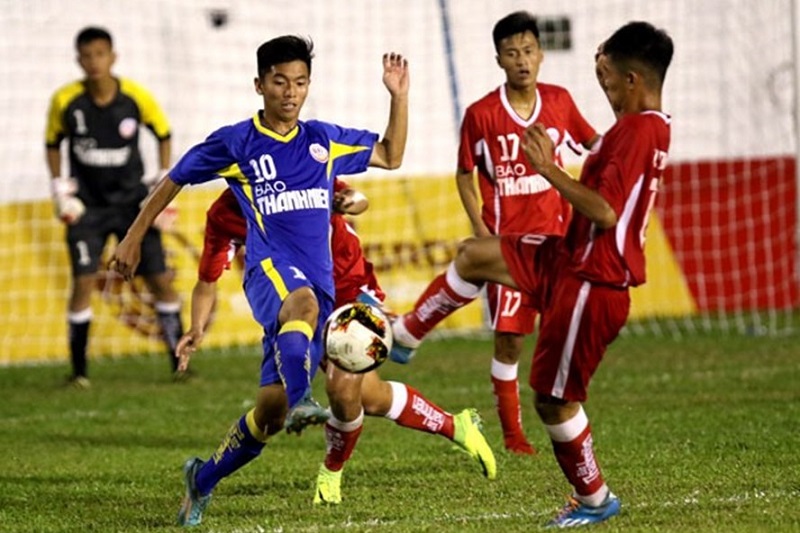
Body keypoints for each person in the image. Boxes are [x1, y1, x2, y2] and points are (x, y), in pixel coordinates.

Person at [109, 35, 410, 526]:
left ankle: (202, 478)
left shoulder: (323, 140)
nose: (290, 93)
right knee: (303, 306)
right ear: (259, 85)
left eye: (300, 83)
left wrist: (398, 97)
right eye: (279, 82)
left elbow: (391, 155)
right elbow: (175, 177)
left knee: (268, 415)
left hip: (316, 290)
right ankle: (304, 398)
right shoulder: (237, 143)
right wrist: (133, 236)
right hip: (270, 274)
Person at [391, 21, 673, 527]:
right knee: (474, 254)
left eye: (608, 78)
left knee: (553, 401)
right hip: (569, 257)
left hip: (594, 281)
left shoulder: (636, 130)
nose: (602, 85)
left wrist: (548, 168)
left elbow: (606, 212)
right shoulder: (646, 126)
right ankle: (406, 336)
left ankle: (594, 499)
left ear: (632, 80)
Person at [176, 182, 495, 510]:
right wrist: (197, 327)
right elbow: (207, 280)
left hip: (345, 287)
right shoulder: (226, 212)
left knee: (344, 389)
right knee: (282, 412)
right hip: (290, 303)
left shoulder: (299, 168)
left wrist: (349, 202)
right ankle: (201, 479)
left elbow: (357, 197)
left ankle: (331, 473)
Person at [451, 11, 597, 455]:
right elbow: (464, 173)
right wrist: (481, 231)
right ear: (499, 59)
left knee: (561, 337)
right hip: (509, 251)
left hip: (557, 245)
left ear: (540, 55)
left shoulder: (560, 101)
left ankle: (565, 418)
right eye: (512, 53)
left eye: (528, 51)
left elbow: (594, 144)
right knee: (510, 340)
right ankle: (513, 435)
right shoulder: (481, 114)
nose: (521, 60)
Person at [45, 26, 184, 387]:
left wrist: (162, 179)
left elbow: (163, 133)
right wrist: (60, 187)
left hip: (133, 207)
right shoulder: (66, 101)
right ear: (79, 60)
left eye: (100, 54)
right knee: (83, 282)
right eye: (87, 56)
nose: (94, 62)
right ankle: (79, 373)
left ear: (112, 57)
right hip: (87, 208)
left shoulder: (135, 97)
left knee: (159, 280)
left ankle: (179, 364)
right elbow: (52, 142)